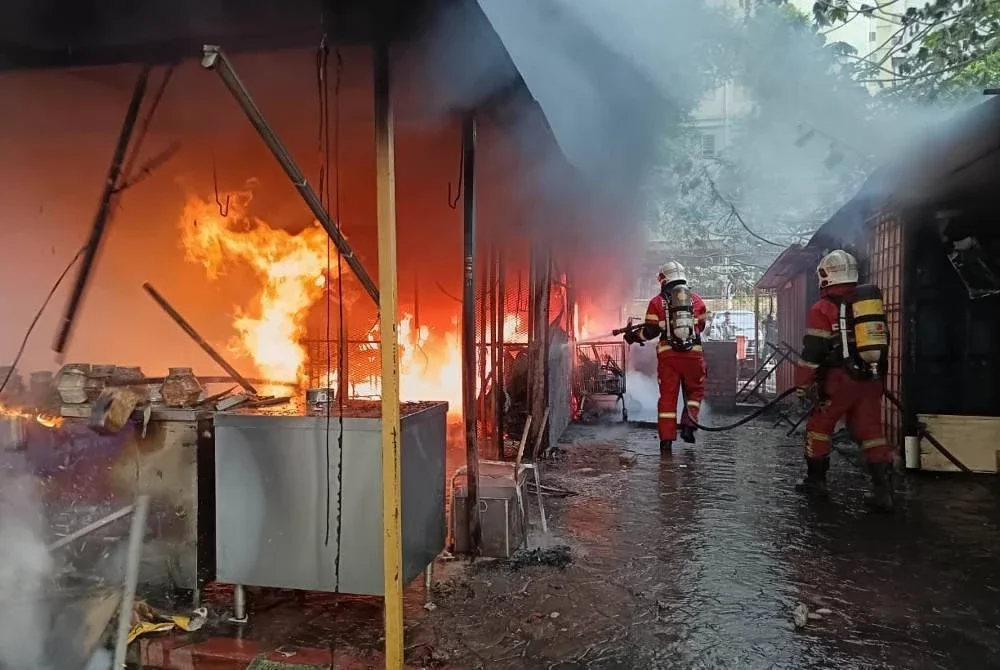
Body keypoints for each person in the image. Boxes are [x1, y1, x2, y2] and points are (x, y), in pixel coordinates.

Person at [794, 249, 894, 511]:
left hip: (839, 381)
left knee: (819, 427)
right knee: (872, 433)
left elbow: (813, 352)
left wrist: (802, 385)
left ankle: (816, 483)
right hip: (870, 377)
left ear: (827, 276)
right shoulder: (867, 305)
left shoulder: (823, 307)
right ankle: (884, 492)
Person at [624, 261, 709, 454]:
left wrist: (633, 337)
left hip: (668, 357)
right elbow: (700, 328)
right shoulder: (697, 300)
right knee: (695, 392)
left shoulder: (656, 302)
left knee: (668, 399)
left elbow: (650, 332)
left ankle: (666, 442)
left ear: (664, 279)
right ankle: (689, 426)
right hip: (694, 356)